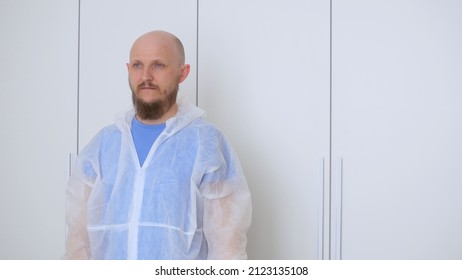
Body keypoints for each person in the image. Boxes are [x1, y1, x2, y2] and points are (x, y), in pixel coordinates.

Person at [65, 30, 252, 260]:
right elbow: (78, 243)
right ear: (128, 70)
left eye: (159, 65)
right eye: (137, 65)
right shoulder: (103, 147)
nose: (146, 76)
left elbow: (227, 248)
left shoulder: (207, 146)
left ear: (183, 73)